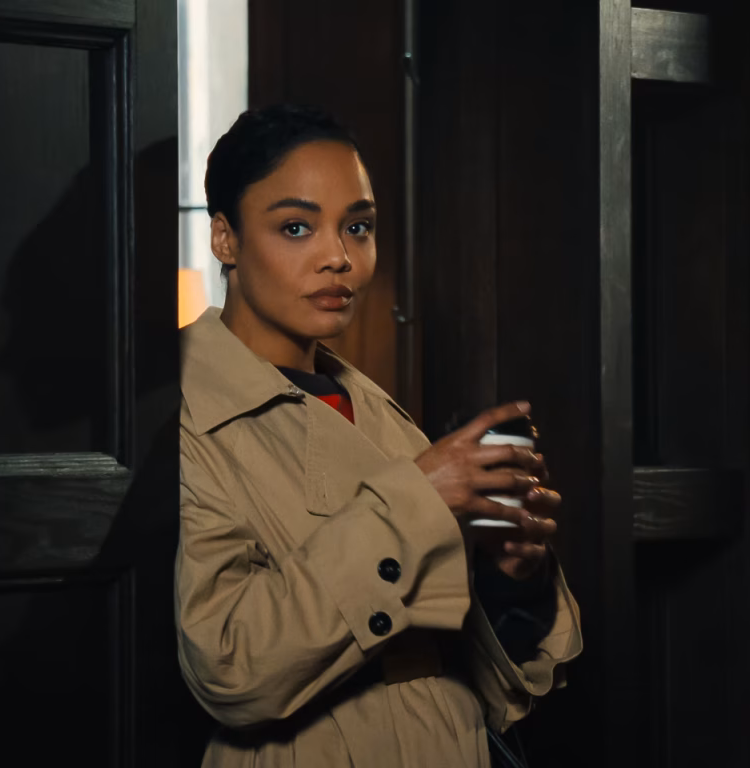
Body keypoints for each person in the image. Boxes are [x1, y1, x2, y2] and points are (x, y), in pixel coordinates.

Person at [177, 104, 583, 767]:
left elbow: (495, 672)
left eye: (357, 227)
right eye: (297, 226)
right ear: (225, 238)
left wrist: (515, 576)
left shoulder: (374, 408)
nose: (338, 258)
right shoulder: (185, 413)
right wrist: (418, 498)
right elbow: (230, 667)